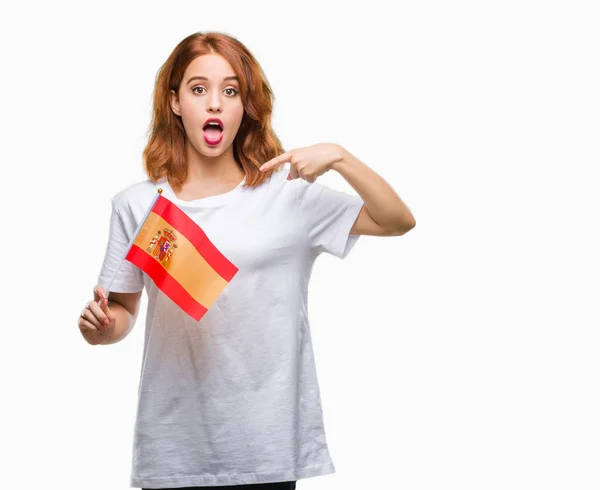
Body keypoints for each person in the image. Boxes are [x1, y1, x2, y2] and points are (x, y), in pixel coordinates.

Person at [77, 31, 416, 490]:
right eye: (199, 89)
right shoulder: (139, 205)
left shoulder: (288, 196)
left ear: (245, 106)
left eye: (230, 90)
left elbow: (397, 220)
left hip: (266, 449)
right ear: (175, 103)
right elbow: (120, 313)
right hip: (173, 450)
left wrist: (339, 157)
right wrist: (100, 327)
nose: (214, 103)